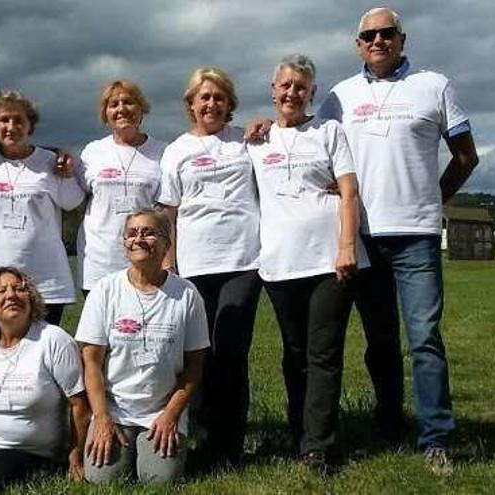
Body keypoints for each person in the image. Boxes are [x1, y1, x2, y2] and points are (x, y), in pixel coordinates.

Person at [315, 7, 480, 474]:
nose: (379, 41)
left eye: (388, 33)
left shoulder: (435, 85)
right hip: (363, 237)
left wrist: (435, 196)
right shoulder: (339, 97)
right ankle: (389, 422)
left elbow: (466, 157)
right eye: (369, 35)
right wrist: (263, 130)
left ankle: (437, 438)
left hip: (417, 237)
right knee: (379, 340)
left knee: (425, 338)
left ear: (402, 39)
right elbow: (312, 142)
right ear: (358, 44)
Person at [246, 54, 368, 474]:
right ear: (273, 90)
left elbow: (349, 192)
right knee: (293, 353)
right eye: (285, 86)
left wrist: (346, 246)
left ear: (312, 93)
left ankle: (318, 445)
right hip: (279, 264)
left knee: (323, 353)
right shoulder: (257, 142)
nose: (292, 93)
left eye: (301, 87)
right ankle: (298, 430)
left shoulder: (329, 131)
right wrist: (254, 128)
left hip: (329, 262)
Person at [157, 67, 261, 465]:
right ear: (191, 105)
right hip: (195, 265)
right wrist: (170, 263)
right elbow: (169, 212)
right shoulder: (177, 150)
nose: (212, 104)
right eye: (204, 97)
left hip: (244, 260)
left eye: (219, 97)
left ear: (229, 103)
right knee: (199, 352)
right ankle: (201, 438)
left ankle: (230, 444)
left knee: (232, 350)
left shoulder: (246, 142)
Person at [76, 209, 209, 483]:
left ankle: (153, 449)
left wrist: (170, 415)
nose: (139, 239)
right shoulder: (105, 291)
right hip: (115, 410)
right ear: (124, 243)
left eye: (149, 232)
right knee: (103, 479)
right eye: (132, 233)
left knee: (160, 480)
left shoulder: (187, 294)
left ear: (166, 244)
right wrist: (101, 418)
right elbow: (91, 363)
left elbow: (195, 365)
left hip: (162, 410)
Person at [0, 266, 89, 490]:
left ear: (32, 299)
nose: (11, 295)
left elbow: (79, 403)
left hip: (27, 452)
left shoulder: (53, 340)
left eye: (19, 289)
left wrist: (75, 455)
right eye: (1, 291)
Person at [0, 90, 84, 325]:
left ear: (31, 125)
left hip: (45, 278)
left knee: (43, 349)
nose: (11, 126)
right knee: (2, 351)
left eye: (19, 120)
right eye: (4, 120)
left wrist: (68, 175)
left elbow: (73, 202)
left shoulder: (51, 161)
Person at [76, 80, 166, 292]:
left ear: (141, 108)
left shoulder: (162, 151)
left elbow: (166, 208)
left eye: (129, 102)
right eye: (113, 104)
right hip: (100, 260)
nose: (121, 109)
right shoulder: (91, 152)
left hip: (147, 258)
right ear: (105, 114)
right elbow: (75, 198)